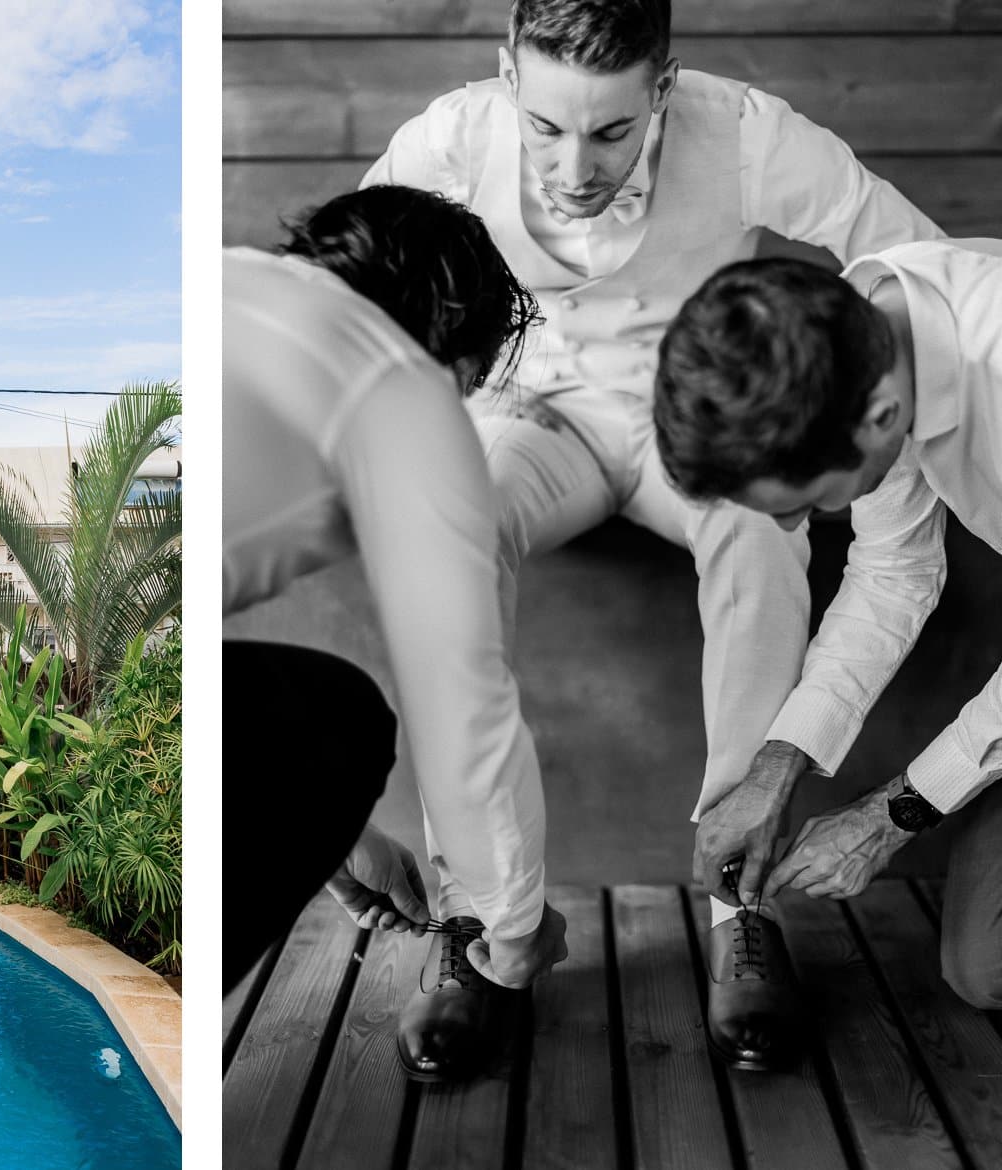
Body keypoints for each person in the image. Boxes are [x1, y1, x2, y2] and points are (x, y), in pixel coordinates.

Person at [360, 0, 944, 1073]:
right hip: (534, 420)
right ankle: (480, 928)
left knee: (765, 535)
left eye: (612, 131)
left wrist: (820, 396)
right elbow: (347, 314)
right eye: (545, 128)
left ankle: (742, 909)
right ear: (505, 80)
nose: (575, 165)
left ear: (663, 91)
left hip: (696, 429)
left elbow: (923, 263)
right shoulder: (446, 140)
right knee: (449, 525)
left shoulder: (751, 135)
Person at [223, 186, 568, 1076]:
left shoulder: (229, 282)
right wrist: (516, 928)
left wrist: (336, 841)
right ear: (455, 350)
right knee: (339, 715)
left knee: (307, 710)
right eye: (472, 382)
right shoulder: (405, 389)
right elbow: (465, 708)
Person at [653, 242, 1002, 1010]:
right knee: (987, 965)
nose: (800, 523)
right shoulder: (859, 341)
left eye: (810, 503)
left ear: (881, 419)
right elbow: (894, 571)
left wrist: (891, 815)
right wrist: (773, 772)